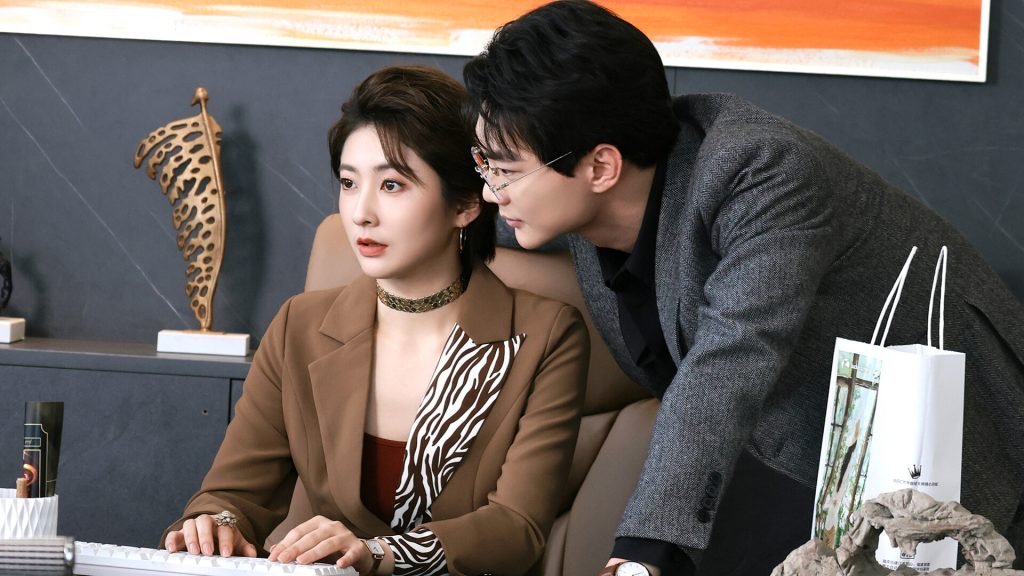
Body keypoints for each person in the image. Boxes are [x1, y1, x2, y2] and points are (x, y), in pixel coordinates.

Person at [463, 1, 1024, 574]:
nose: (489, 191)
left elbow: (731, 358)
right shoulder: (573, 194)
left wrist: (642, 552)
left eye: (505, 171)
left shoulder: (763, 172)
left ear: (601, 168)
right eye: (484, 165)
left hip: (939, 447)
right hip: (784, 444)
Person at [162, 65, 589, 576]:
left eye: (391, 184)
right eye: (348, 183)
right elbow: (233, 493)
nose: (361, 212)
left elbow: (517, 528)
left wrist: (378, 553)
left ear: (465, 203)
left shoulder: (546, 335)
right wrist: (216, 522)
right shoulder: (301, 325)